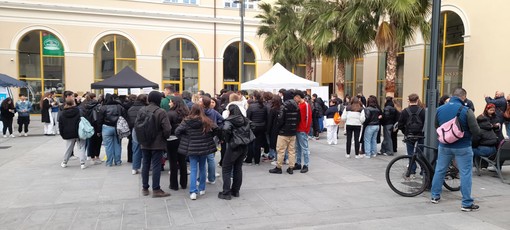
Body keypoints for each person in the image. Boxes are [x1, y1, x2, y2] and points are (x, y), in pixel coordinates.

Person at [431, 88, 480, 212]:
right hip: (463, 146)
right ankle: (466, 203)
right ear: (463, 97)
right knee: (465, 173)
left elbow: (436, 126)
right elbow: (476, 131)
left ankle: (435, 196)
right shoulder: (466, 110)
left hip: (444, 145)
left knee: (440, 170)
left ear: (453, 96)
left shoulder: (440, 109)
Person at [176, 104, 219, 200]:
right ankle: (202, 188)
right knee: (203, 167)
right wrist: (209, 136)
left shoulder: (186, 121)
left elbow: (177, 131)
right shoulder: (206, 120)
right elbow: (216, 128)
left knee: (193, 169)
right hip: (204, 147)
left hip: (192, 148)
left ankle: (193, 192)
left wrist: (185, 138)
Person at [137, 91, 172, 198]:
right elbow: (167, 129)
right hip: (157, 143)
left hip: (144, 141)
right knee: (156, 165)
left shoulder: (142, 110)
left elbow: (137, 125)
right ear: (158, 99)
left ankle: (145, 188)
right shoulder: (161, 111)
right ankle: (156, 189)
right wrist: (165, 137)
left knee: (146, 164)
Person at [218, 104, 251, 200]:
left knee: (226, 168)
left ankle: (226, 192)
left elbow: (225, 129)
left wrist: (228, 138)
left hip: (234, 146)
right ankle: (236, 191)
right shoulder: (244, 119)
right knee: (238, 167)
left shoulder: (230, 120)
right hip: (244, 146)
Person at [269, 90, 299, 175]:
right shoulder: (296, 106)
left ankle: (279, 167)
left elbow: (280, 120)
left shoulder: (283, 106)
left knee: (281, 150)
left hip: (283, 132)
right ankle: (291, 167)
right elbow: (298, 120)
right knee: (291, 151)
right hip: (293, 132)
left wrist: (278, 128)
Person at [166, 96, 189, 190]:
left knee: (173, 162)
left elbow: (167, 128)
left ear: (174, 103)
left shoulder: (169, 113)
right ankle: (184, 183)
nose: (169, 103)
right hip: (183, 139)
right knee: (182, 161)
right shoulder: (186, 113)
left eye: (170, 102)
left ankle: (174, 184)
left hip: (172, 140)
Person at [97, 93, 126, 167]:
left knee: (108, 146)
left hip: (106, 127)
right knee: (118, 145)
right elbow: (124, 117)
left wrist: (99, 130)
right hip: (118, 127)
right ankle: (118, 161)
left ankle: (109, 162)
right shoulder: (119, 107)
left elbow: (99, 120)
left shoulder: (103, 107)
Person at [58, 98, 87, 169]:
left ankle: (64, 162)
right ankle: (82, 163)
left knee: (69, 148)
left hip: (68, 132)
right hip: (79, 131)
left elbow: (60, 125)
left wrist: (62, 134)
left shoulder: (62, 113)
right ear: (73, 103)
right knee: (81, 147)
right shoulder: (78, 111)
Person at [398, 93, 426, 165]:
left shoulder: (405, 111)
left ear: (409, 100)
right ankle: (423, 171)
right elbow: (426, 123)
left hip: (409, 135)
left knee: (410, 154)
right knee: (421, 153)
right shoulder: (422, 111)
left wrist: (405, 132)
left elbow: (400, 124)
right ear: (417, 100)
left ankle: (412, 170)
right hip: (420, 135)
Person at [201, 96, 223, 184]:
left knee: (202, 158)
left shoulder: (200, 113)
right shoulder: (214, 112)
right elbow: (222, 120)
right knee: (211, 157)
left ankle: (201, 178)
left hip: (201, 137)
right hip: (212, 136)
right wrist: (217, 127)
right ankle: (211, 177)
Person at [127, 94, 148, 175]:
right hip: (144, 129)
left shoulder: (131, 109)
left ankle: (135, 168)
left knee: (135, 149)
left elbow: (129, 121)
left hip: (135, 129)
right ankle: (145, 167)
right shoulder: (145, 109)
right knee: (145, 148)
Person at [246, 91, 268, 165]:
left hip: (253, 126)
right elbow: (266, 117)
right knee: (258, 144)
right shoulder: (264, 106)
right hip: (261, 126)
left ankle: (249, 159)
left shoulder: (251, 106)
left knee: (251, 143)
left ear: (254, 97)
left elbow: (248, 117)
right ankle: (257, 160)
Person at [80, 93, 103, 165]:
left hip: (87, 125)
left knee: (90, 141)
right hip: (96, 125)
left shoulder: (84, 105)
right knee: (98, 141)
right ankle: (97, 156)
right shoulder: (97, 105)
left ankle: (91, 157)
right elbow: (98, 117)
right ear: (94, 97)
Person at [294, 90, 312, 173]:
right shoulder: (299, 104)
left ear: (298, 97)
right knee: (298, 148)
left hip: (302, 129)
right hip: (298, 129)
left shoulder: (305, 105)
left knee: (304, 148)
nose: (294, 99)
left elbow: (308, 118)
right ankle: (298, 163)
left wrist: (306, 129)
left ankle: (306, 164)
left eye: (295, 97)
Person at [267, 94, 282, 162]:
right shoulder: (282, 108)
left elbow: (270, 121)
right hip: (281, 129)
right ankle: (281, 158)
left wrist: (268, 130)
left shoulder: (273, 110)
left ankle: (277, 159)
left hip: (274, 129)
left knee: (275, 145)